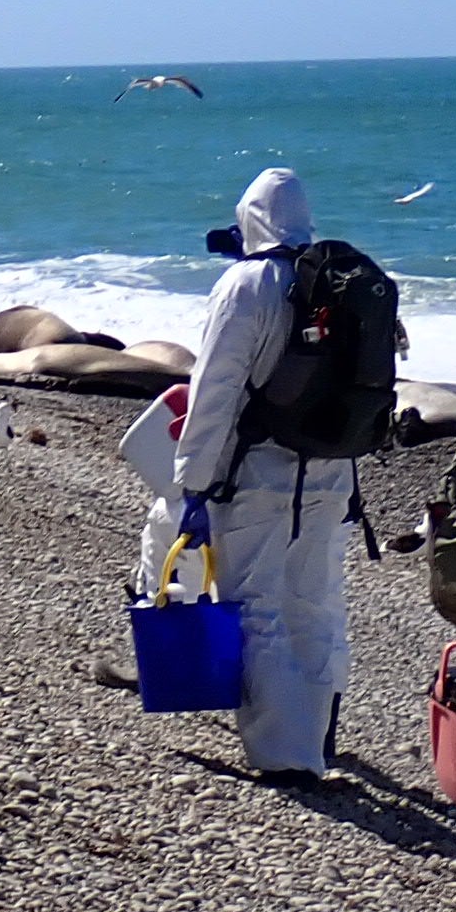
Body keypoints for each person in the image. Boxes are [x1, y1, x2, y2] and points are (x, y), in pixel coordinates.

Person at [172, 166, 358, 779]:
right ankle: (319, 733)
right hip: (330, 471)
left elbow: (215, 390)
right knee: (316, 604)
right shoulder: (344, 279)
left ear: (250, 217)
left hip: (257, 472)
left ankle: (286, 755)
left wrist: (193, 481)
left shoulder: (247, 283)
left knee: (255, 605)